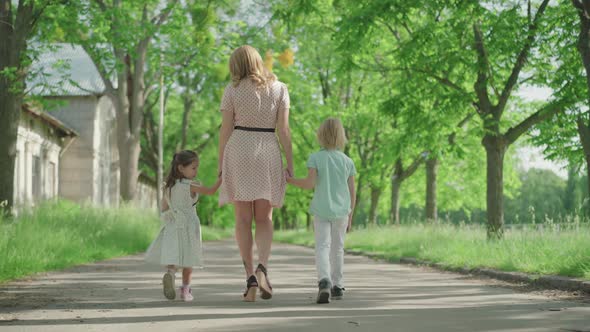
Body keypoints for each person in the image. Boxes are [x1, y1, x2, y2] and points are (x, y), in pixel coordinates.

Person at [218, 45, 294, 302]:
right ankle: (262, 267)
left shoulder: (232, 90)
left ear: (236, 65)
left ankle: (250, 277)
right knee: (264, 217)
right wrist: (291, 163)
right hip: (267, 149)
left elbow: (225, 131)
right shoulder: (280, 89)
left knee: (242, 218)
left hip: (238, 149)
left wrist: (220, 166)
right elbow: (284, 130)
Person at [286, 118, 356, 304]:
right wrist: (350, 215)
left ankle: (324, 281)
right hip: (342, 211)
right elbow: (352, 192)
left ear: (320, 135)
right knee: (338, 248)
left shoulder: (315, 158)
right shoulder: (348, 161)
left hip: (322, 209)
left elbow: (309, 184)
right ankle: (338, 286)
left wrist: (290, 180)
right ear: (341, 137)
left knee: (322, 247)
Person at [145, 150, 221, 302]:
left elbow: (164, 207)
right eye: (193, 168)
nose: (196, 171)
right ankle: (185, 291)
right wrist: (222, 179)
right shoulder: (190, 186)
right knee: (188, 258)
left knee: (173, 254)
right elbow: (211, 191)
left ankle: (171, 274)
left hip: (172, 225)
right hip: (188, 225)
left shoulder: (169, 187)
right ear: (181, 168)